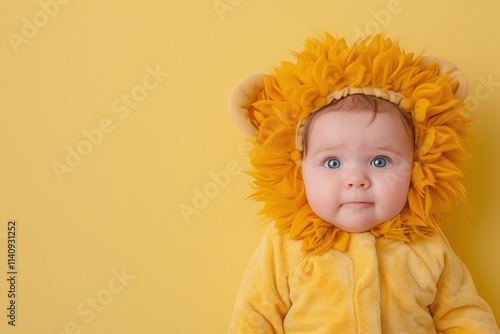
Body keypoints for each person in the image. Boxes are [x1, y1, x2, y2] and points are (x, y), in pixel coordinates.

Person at [227, 33, 500, 333]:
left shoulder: (426, 245)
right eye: (332, 163)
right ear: (297, 169)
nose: (356, 180)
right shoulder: (286, 246)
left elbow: (462, 312)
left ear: (417, 165)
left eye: (380, 161)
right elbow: (255, 316)